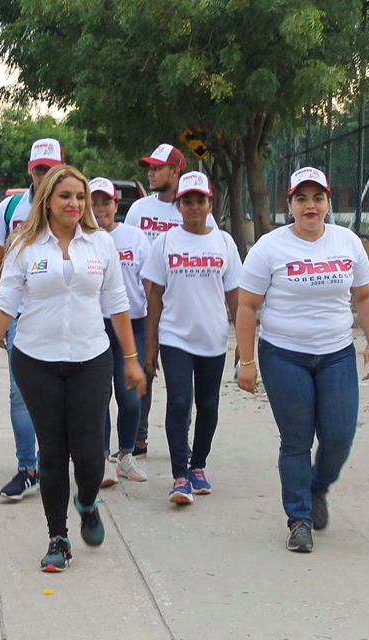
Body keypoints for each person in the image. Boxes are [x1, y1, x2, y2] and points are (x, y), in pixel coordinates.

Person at [0, 165, 146, 572]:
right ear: (47, 199)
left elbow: (117, 303)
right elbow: (3, 306)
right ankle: (58, 537)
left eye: (80, 197)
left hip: (91, 358)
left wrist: (132, 359)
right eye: (66, 196)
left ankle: (86, 501)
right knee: (52, 452)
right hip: (36, 361)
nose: (75, 204)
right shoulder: (23, 247)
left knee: (89, 455)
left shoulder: (101, 245)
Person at [236, 167, 369, 553]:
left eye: (317, 198)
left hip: (335, 354)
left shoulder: (347, 242)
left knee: (339, 436)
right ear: (290, 205)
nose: (310, 206)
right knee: (296, 439)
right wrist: (246, 361)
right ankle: (299, 519)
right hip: (284, 355)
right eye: (302, 199)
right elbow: (248, 306)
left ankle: (318, 487)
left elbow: (365, 297)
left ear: (328, 203)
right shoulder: (269, 247)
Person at [143, 172, 241, 505]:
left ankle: (198, 466)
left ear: (210, 203)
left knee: (208, 405)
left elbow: (235, 297)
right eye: (188, 201)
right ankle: (179, 476)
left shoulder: (224, 243)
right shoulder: (166, 243)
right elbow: (154, 295)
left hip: (213, 337)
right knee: (180, 402)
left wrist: (244, 340)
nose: (194, 207)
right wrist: (150, 343)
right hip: (175, 338)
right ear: (178, 205)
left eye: (201, 200)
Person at [124, 143, 214, 458]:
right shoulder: (139, 210)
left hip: (182, 310)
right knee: (141, 371)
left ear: (175, 172)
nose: (150, 173)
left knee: (182, 387)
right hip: (143, 306)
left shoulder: (198, 211)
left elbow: (209, 251)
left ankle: (181, 441)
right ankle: (138, 436)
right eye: (149, 167)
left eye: (157, 168)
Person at [0, 138, 64, 500]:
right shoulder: (11, 207)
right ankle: (27, 468)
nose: (43, 175)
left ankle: (56, 460)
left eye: (50, 169)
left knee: (64, 391)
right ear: (30, 170)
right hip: (20, 313)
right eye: (38, 169)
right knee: (20, 393)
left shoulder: (70, 205)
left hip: (62, 313)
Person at [89, 177, 151, 487]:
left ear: (116, 204)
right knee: (100, 395)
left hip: (133, 324)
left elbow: (150, 283)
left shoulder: (135, 237)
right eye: (94, 202)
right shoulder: (81, 237)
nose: (100, 209)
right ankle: (102, 460)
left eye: (106, 202)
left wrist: (153, 333)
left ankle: (126, 455)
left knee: (131, 397)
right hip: (95, 325)